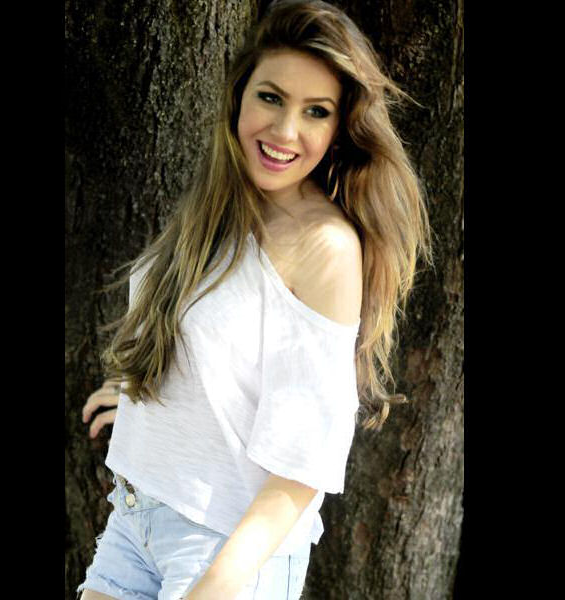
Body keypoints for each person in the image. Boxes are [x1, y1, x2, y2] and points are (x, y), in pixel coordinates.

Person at [77, 0, 432, 598]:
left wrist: (216, 585)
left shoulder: (324, 246)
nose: (285, 131)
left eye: (315, 111)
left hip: (228, 549)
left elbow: (305, 462)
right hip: (134, 521)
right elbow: (196, 324)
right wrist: (144, 393)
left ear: (339, 129)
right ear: (239, 96)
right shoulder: (221, 204)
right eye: (271, 97)